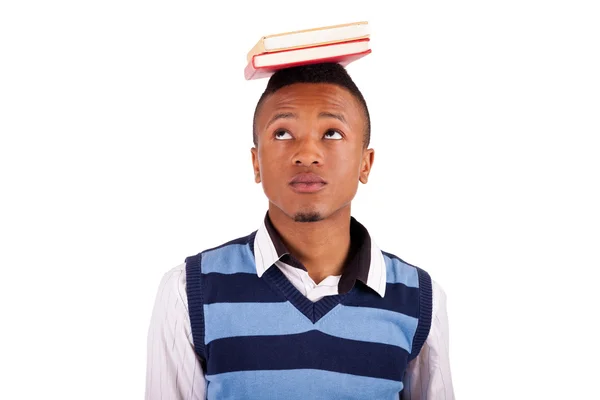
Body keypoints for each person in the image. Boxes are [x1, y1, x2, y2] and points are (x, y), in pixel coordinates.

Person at [145, 62, 455, 399]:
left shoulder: (421, 300)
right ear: (256, 163)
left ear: (365, 164)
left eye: (332, 133)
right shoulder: (189, 291)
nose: (307, 154)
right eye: (282, 133)